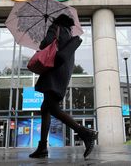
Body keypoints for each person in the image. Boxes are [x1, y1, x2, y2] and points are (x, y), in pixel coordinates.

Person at [29, 14, 98, 159]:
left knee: (53, 108)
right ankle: (42, 147)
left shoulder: (55, 28)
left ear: (57, 21)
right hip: (62, 74)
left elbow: (46, 44)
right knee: (45, 108)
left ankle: (86, 133)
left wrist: (46, 36)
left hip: (53, 72)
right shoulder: (68, 34)